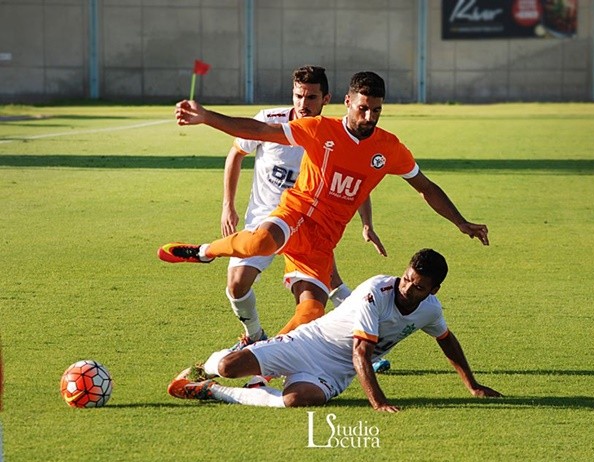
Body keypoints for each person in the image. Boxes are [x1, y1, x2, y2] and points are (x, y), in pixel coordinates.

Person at [159, 71, 489, 344]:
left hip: (323, 239)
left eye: (376, 110)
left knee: (311, 313)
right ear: (347, 102)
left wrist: (460, 222)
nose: (369, 117)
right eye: (363, 108)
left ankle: (260, 363)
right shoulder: (319, 129)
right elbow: (258, 130)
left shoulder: (389, 148)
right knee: (259, 243)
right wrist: (207, 117)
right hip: (295, 213)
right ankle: (205, 252)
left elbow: (425, 187)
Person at [167, 249, 502, 411]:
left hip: (336, 372)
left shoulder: (430, 310)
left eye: (418, 287)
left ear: (433, 290)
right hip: (308, 343)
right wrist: (378, 402)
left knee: (296, 400)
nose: (407, 289)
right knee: (229, 366)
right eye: (406, 279)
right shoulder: (376, 291)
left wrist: (472, 386)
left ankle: (211, 391)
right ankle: (207, 366)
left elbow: (446, 340)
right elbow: (361, 352)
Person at [214, 66, 385, 351]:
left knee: (324, 292)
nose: (303, 103)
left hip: (310, 223)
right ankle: (254, 335)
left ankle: (365, 348)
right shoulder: (270, 121)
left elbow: (357, 181)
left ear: (326, 98)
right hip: (266, 220)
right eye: (298, 96)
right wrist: (227, 206)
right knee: (236, 284)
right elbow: (236, 154)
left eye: (311, 97)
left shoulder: (333, 133)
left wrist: (367, 223)